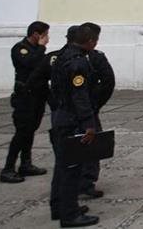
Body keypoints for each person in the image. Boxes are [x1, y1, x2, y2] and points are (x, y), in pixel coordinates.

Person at [49, 24, 99, 227]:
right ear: (89, 42)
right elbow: (80, 97)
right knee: (72, 168)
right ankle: (69, 214)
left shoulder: (61, 56)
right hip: (72, 120)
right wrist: (89, 123)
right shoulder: (78, 63)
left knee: (61, 165)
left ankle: (59, 206)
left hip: (60, 115)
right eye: (94, 40)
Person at [0, 21, 51, 183]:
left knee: (30, 130)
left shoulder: (38, 50)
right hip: (24, 97)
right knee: (22, 132)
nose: (47, 38)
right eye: (45, 35)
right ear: (36, 34)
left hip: (38, 96)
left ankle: (26, 164)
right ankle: (8, 168)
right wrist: (42, 48)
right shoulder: (20, 48)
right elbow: (32, 64)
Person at [78, 22, 115, 199]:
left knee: (68, 151)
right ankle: (84, 183)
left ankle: (76, 184)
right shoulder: (82, 60)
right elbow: (108, 82)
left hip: (73, 110)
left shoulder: (58, 57)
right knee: (90, 146)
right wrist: (94, 105)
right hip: (84, 111)